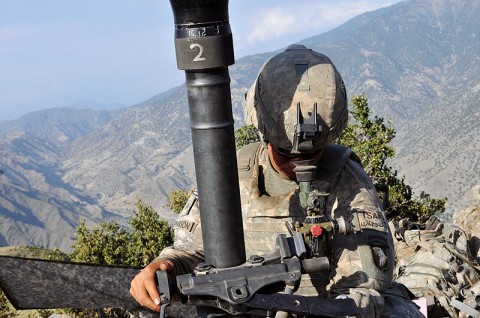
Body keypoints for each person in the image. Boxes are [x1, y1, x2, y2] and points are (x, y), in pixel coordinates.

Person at [130, 44, 423, 317]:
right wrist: (162, 268)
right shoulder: (230, 174)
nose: (301, 165)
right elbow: (190, 251)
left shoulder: (347, 181)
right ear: (264, 134)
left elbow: (361, 289)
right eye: (286, 154)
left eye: (315, 154)